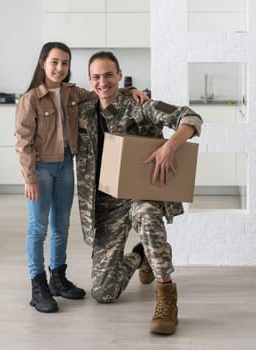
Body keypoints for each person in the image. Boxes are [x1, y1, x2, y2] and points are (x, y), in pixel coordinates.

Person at [15, 42, 148, 313]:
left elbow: (102, 92)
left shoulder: (72, 93)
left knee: (61, 226)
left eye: (65, 63)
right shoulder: (30, 99)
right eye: (54, 62)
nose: (59, 68)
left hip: (66, 165)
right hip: (40, 169)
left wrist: (129, 90)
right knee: (38, 228)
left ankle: (58, 278)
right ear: (43, 63)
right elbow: (23, 142)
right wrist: (29, 178)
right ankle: (38, 285)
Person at [75, 51, 203, 334]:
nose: (103, 82)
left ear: (120, 75)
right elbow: (57, 95)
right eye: (96, 76)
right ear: (89, 80)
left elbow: (191, 117)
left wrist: (169, 148)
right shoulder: (83, 112)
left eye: (109, 75)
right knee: (103, 293)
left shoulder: (139, 106)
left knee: (147, 216)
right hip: (105, 205)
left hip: (138, 195)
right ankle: (138, 257)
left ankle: (166, 295)